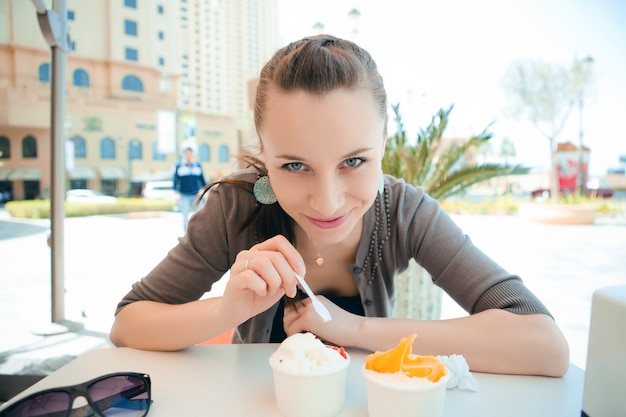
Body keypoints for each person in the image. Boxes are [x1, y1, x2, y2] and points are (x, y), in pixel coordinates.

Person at [111, 35, 569, 377]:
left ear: (383, 144)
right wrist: (227, 311)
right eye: (293, 165)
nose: (327, 201)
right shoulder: (237, 206)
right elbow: (128, 324)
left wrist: (351, 328)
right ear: (264, 154)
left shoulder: (403, 210)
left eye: (354, 160)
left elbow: (543, 344)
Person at [172, 147, 206, 231]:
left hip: (196, 195)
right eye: (187, 153)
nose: (188, 155)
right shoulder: (179, 165)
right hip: (184, 194)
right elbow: (175, 180)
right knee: (185, 215)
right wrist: (175, 193)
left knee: (200, 213)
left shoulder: (197, 165)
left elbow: (202, 179)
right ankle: (186, 234)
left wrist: (206, 190)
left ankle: (200, 231)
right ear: (184, 154)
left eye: (190, 153)